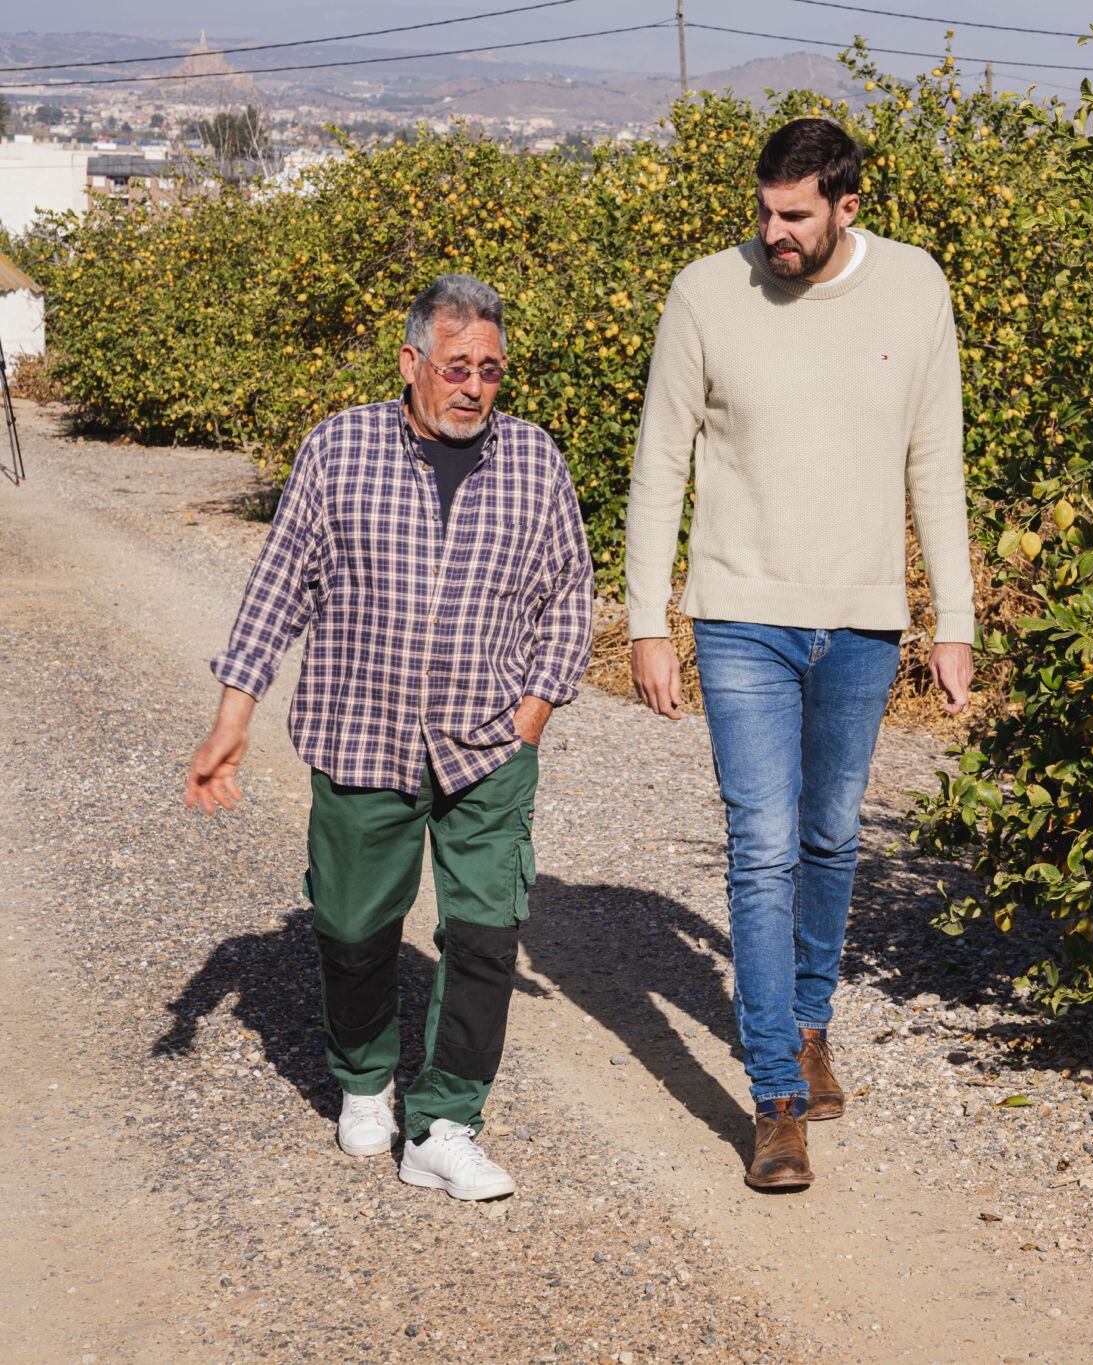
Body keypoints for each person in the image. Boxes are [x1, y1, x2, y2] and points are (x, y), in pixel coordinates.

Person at [186, 273, 594, 1201]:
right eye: (458, 367)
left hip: (490, 745)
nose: (475, 387)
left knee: (487, 935)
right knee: (354, 928)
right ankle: (365, 1077)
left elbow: (571, 589)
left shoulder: (534, 460)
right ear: (412, 362)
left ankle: (446, 1120)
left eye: (492, 370)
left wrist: (535, 709)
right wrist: (231, 719)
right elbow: (278, 585)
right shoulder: (339, 449)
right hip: (362, 736)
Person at [624, 118, 975, 1191]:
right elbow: (659, 457)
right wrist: (649, 618)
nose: (772, 234)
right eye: (763, 212)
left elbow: (936, 458)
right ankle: (775, 1099)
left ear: (845, 208)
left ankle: (809, 1021)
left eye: (794, 216)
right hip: (740, 616)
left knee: (829, 838)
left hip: (863, 619)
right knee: (762, 846)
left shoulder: (915, 288)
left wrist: (949, 621)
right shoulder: (703, 291)